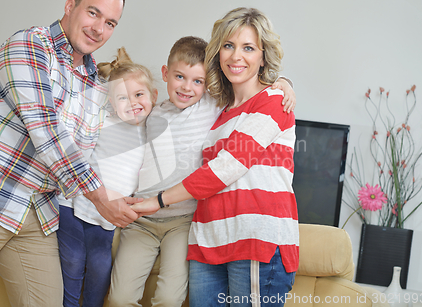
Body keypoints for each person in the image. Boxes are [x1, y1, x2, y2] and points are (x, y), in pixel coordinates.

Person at [0, 0, 138, 306]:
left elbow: (89, 153)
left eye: (110, 22)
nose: (99, 28)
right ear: (70, 6)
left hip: (35, 211)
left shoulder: (96, 84)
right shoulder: (28, 45)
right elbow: (46, 128)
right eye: (93, 13)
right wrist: (101, 199)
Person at [108, 36, 295, 307]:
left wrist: (284, 82)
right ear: (165, 74)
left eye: (197, 81)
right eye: (179, 77)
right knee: (119, 298)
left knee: (169, 299)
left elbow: (250, 85)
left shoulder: (212, 106)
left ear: (207, 83)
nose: (187, 87)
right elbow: (122, 105)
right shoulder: (151, 113)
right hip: (141, 221)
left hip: (183, 221)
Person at [56, 47, 158, 307]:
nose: (132, 103)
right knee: (73, 260)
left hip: (109, 217)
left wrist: (281, 82)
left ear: (153, 96)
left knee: (101, 267)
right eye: (122, 98)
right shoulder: (103, 121)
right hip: (73, 205)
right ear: (111, 102)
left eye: (139, 95)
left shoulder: (153, 129)